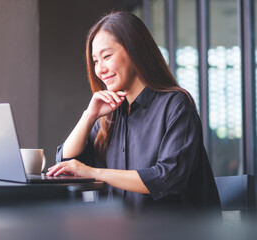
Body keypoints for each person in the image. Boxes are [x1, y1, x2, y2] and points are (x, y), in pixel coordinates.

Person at [46, 11, 221, 212]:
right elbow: (66, 164)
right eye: (95, 61)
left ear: (134, 51)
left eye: (107, 56)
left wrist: (95, 172)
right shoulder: (110, 115)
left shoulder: (177, 104)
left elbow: (167, 178)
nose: (100, 69)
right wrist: (89, 115)